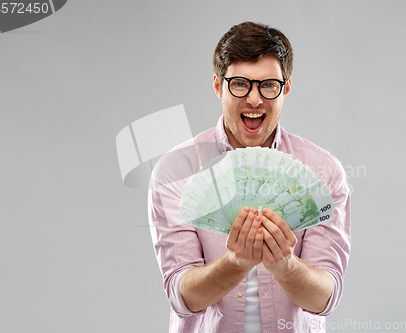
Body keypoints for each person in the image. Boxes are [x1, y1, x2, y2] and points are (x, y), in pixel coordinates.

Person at [149, 21, 350, 333]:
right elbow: (182, 295)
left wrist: (284, 265)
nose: (255, 100)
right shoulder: (176, 171)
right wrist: (236, 263)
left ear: (286, 88)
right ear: (218, 85)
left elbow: (325, 298)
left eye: (268, 85)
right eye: (240, 84)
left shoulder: (323, 171)